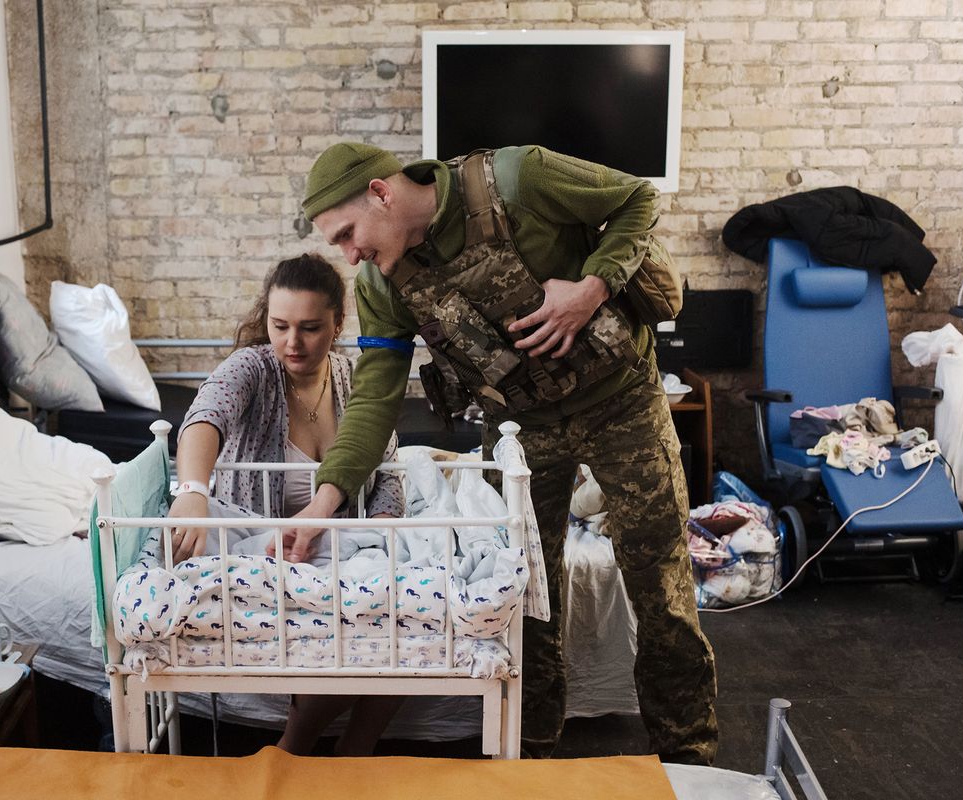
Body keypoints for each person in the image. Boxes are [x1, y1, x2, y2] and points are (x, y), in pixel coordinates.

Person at [283, 142, 719, 764]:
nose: (351, 255)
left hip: (622, 399)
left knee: (661, 586)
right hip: (520, 432)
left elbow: (637, 198)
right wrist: (324, 501)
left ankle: (688, 762)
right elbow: (376, 396)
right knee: (523, 599)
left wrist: (592, 288)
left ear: (382, 192)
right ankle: (529, 757)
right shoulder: (383, 282)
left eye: (349, 234)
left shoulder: (519, 177)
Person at [166, 252, 406, 756]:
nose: (292, 343)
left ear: (338, 323)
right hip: (269, 545)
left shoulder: (352, 377)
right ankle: (295, 747)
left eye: (310, 328)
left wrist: (379, 533)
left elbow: (385, 467)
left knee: (396, 606)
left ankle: (353, 757)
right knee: (354, 614)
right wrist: (192, 493)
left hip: (337, 541)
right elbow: (205, 416)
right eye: (280, 326)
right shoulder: (254, 368)